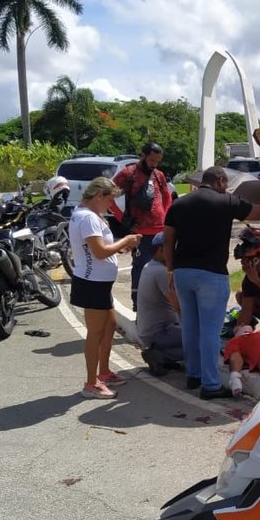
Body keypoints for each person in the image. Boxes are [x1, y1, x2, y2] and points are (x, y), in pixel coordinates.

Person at [163, 166, 260, 401]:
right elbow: (259, 212)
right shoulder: (226, 201)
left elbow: (168, 239)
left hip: (183, 272)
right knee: (210, 332)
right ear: (220, 181)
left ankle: (193, 375)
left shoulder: (178, 204)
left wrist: (171, 269)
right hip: (211, 274)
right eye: (226, 183)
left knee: (190, 326)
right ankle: (210, 385)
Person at [68, 177, 143, 399]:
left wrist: (117, 247)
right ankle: (91, 383)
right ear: (99, 195)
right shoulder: (88, 218)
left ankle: (104, 372)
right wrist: (126, 240)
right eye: (109, 200)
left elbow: (96, 249)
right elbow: (100, 252)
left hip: (98, 282)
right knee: (95, 333)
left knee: (109, 325)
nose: (111, 206)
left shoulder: (86, 214)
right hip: (92, 283)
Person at [112, 141, 173, 311]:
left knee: (165, 269)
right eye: (152, 160)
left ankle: (162, 304)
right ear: (143, 156)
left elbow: (167, 198)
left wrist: (166, 218)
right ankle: (139, 305)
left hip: (160, 230)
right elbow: (108, 197)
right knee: (140, 268)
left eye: (157, 161)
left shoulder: (158, 175)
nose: (154, 164)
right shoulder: (128, 174)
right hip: (140, 232)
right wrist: (122, 217)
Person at [135, 231, 182, 376]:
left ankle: (162, 355)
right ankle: (161, 356)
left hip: (150, 331)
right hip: (160, 332)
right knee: (201, 342)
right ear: (161, 250)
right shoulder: (161, 272)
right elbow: (179, 306)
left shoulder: (149, 266)